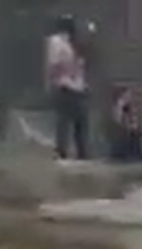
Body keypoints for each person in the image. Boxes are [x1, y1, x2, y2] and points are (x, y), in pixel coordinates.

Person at [44, 16, 88, 160]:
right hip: (66, 85)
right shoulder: (58, 41)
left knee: (75, 121)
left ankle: (77, 152)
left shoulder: (73, 42)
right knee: (68, 120)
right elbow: (55, 64)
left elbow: (54, 65)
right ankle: (64, 151)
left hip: (74, 86)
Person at [106, 85, 142, 162]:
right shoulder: (120, 104)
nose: (129, 96)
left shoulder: (130, 105)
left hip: (130, 129)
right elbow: (118, 117)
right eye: (127, 94)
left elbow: (133, 116)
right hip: (123, 129)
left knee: (135, 140)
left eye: (129, 94)